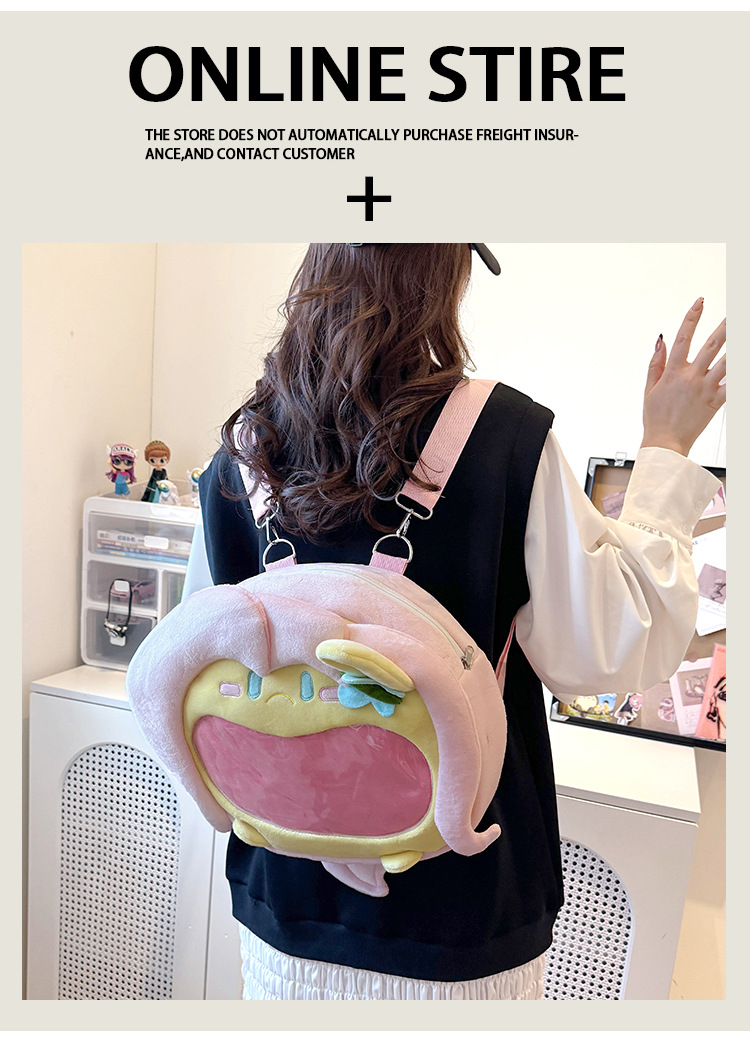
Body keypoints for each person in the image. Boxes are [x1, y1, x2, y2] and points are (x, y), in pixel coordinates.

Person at [184, 243, 725, 1000]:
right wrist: (665, 450)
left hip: (284, 897)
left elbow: (195, 654)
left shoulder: (242, 453)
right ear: (450, 275)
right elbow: (603, 653)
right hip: (463, 909)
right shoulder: (505, 436)